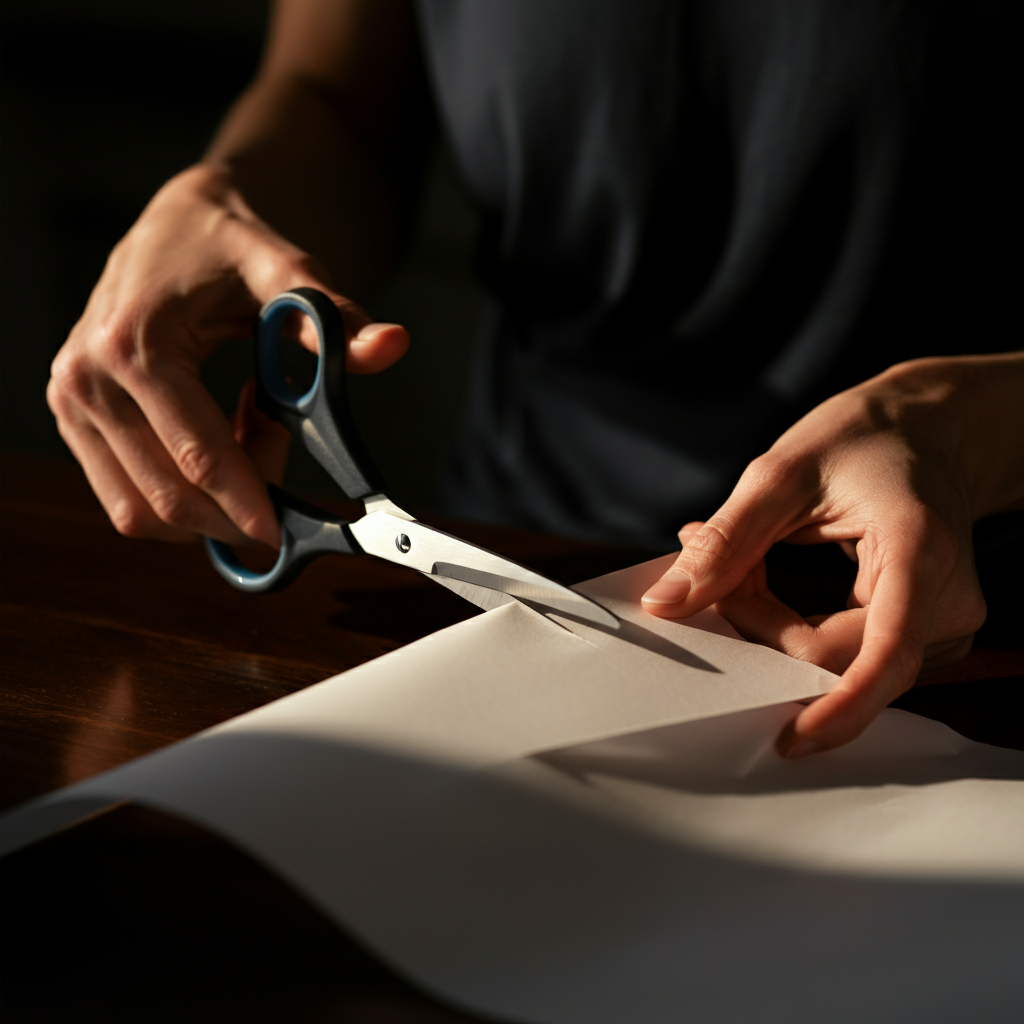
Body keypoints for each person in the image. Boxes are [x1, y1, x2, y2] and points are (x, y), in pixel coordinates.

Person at [47, 0, 1022, 758]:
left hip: (974, 619)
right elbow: (336, 99)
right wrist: (232, 202)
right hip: (519, 556)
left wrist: (969, 425)